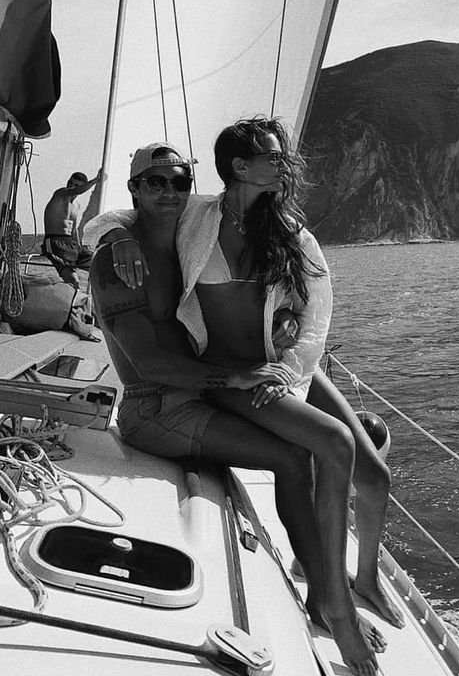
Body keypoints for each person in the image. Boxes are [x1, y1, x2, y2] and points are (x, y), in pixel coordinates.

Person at [88, 139, 387, 676]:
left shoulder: (186, 234)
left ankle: (326, 590)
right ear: (134, 188)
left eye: (179, 181)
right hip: (156, 408)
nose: (170, 192)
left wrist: (282, 332)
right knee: (295, 459)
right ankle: (330, 602)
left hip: (199, 391)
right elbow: (150, 362)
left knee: (307, 456)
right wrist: (235, 374)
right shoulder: (118, 259)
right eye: (154, 182)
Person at [42, 169, 103, 288]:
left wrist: (79, 246)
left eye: (76, 185)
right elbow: (77, 191)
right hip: (56, 242)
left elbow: (74, 229)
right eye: (70, 182)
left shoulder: (76, 206)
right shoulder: (60, 194)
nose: (71, 186)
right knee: (74, 281)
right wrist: (97, 180)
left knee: (100, 265)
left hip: (72, 243)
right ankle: (72, 304)